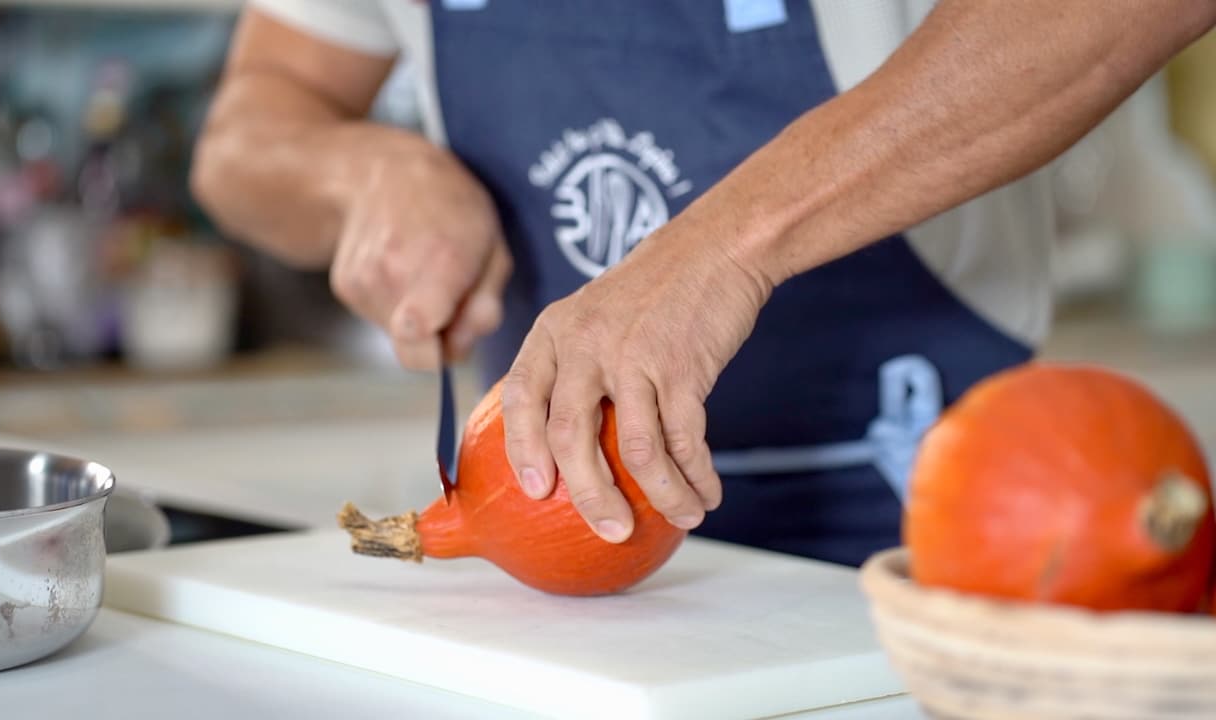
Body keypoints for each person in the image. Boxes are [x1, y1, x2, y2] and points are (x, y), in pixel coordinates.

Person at [192, 0, 1216, 567]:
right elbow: (244, 135)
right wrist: (359, 172)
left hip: (930, 534)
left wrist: (724, 245)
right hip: (565, 556)